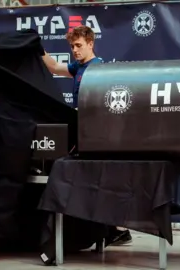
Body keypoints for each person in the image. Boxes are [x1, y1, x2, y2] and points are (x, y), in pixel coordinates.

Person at [41, 25, 132, 246]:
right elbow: (53, 66)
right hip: (83, 133)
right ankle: (108, 229)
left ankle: (118, 228)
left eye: (79, 45)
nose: (75, 50)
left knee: (102, 182)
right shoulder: (77, 67)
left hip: (96, 136)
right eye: (72, 46)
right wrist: (37, 47)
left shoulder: (98, 68)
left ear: (91, 44)